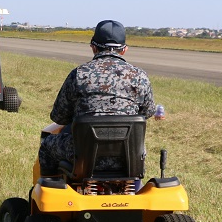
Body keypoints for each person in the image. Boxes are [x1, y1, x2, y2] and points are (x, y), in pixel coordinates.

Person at [38, 19, 156, 175]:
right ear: (124, 50)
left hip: (83, 155)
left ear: (93, 47)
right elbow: (148, 112)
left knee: (46, 145)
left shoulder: (79, 74)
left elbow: (59, 117)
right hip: (128, 156)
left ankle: (50, 188)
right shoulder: (140, 76)